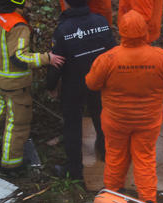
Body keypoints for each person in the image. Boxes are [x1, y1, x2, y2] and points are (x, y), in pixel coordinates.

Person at [85, 9, 163, 203]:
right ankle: (148, 201)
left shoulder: (108, 59)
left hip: (116, 121)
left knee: (115, 156)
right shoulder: (160, 57)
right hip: (148, 121)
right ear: (145, 30)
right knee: (144, 158)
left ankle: (113, 195)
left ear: (121, 31)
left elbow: (91, 83)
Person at [0, 0, 64, 174]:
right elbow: (19, 58)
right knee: (18, 122)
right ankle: (12, 164)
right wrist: (46, 58)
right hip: (14, 82)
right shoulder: (18, 26)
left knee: (3, 107)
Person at [47, 0, 116, 180]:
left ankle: (74, 170)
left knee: (72, 125)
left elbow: (57, 62)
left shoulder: (63, 30)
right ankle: (107, 153)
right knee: (102, 117)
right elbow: (113, 52)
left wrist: (50, 85)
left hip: (73, 84)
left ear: (67, 4)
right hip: (100, 81)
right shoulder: (101, 22)